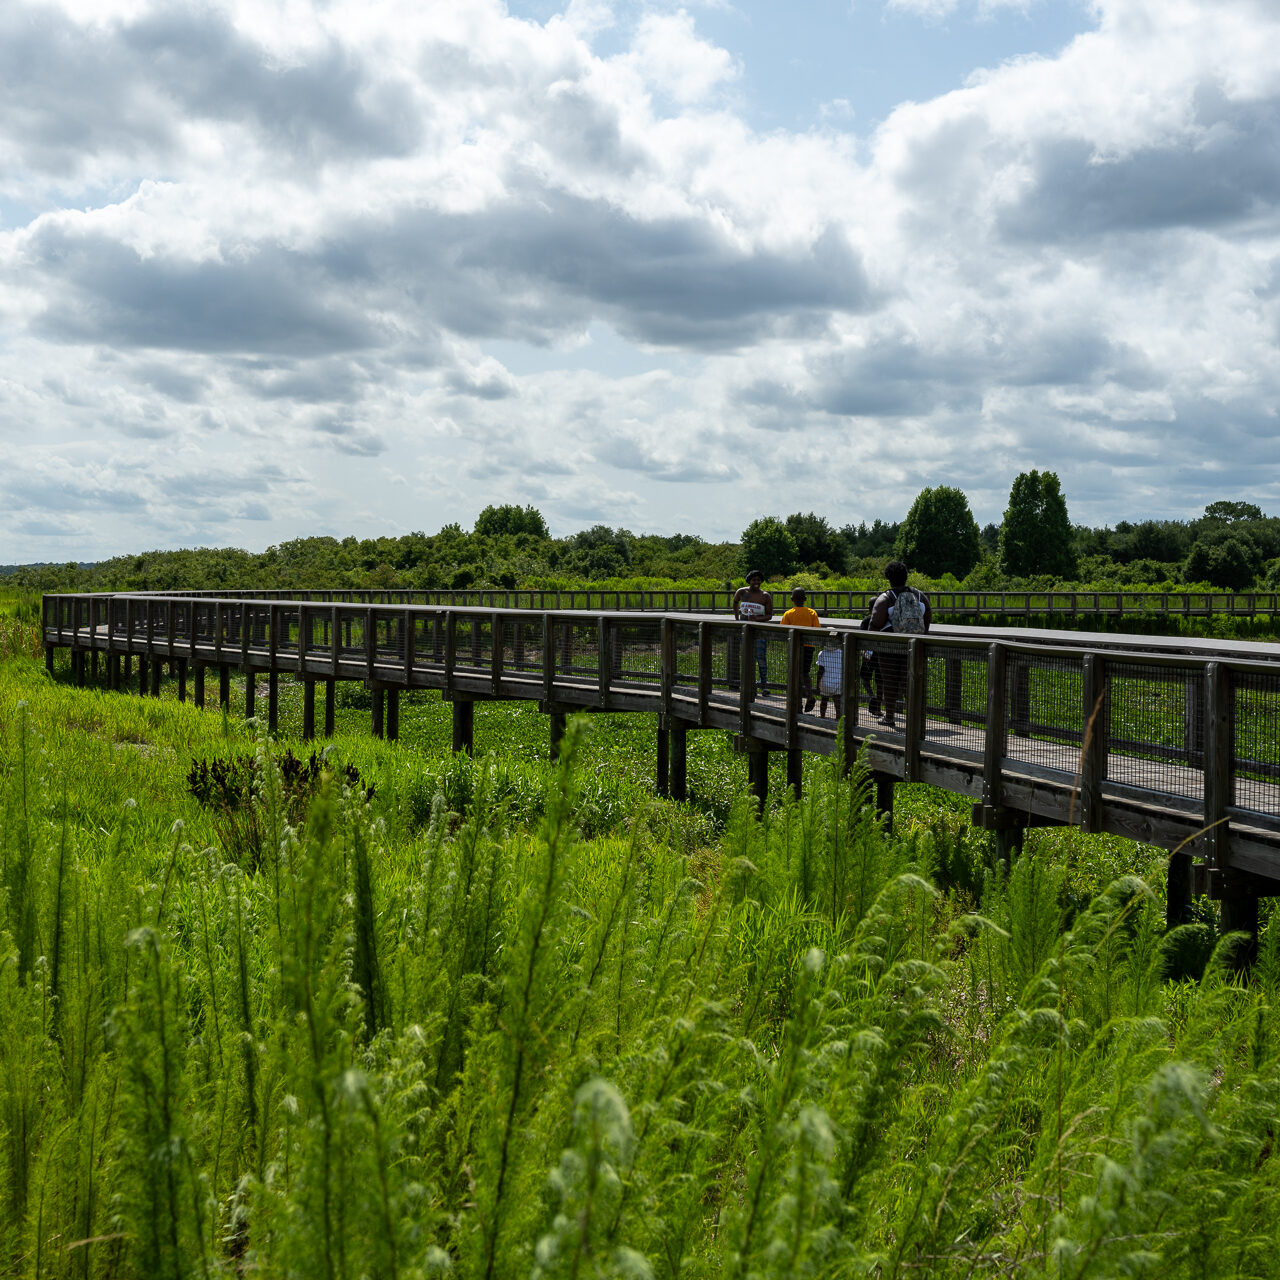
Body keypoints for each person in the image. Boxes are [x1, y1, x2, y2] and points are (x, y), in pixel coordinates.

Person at [868, 560, 931, 729]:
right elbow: (927, 617)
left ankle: (889, 717)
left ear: (888, 577)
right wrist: (922, 637)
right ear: (906, 576)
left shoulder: (886, 597)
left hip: (890, 647)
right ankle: (914, 718)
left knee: (889, 681)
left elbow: (876, 622)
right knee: (910, 682)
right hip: (914, 645)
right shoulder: (919, 595)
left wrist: (869, 643)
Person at [780, 587, 821, 711]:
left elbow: (783, 631)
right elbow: (817, 630)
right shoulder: (812, 613)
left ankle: (799, 701)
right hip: (808, 647)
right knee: (805, 673)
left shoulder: (788, 614)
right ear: (805, 599)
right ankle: (809, 695)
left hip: (794, 646)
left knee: (794, 673)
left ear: (792, 599)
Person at [733, 569, 773, 691]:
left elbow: (769, 615)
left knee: (761, 657)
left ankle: (764, 685)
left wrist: (757, 620)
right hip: (745, 630)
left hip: (759, 631)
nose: (756, 582)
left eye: (758, 579)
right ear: (749, 580)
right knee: (746, 657)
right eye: (753, 579)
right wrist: (737, 619)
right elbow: (735, 603)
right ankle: (748, 685)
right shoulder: (742, 592)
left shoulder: (765, 596)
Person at [815, 634, 843, 719]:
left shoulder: (822, 653)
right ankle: (838, 717)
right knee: (837, 701)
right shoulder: (841, 653)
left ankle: (822, 716)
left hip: (825, 681)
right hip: (838, 681)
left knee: (824, 700)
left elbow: (821, 670)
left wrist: (817, 683)